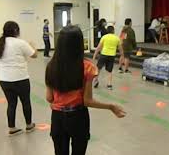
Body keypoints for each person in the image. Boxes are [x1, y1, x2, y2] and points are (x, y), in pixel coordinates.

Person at [45, 25, 126, 155]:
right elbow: (87, 101)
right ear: (79, 44)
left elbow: (49, 98)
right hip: (78, 117)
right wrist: (111, 106)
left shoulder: (51, 66)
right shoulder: (87, 67)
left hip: (58, 118)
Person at [0, 21, 37, 136]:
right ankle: (29, 125)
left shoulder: (0, 43)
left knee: (11, 104)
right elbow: (34, 55)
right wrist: (33, 45)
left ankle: (12, 128)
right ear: (16, 31)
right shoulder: (20, 43)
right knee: (26, 102)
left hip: (4, 80)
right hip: (20, 78)